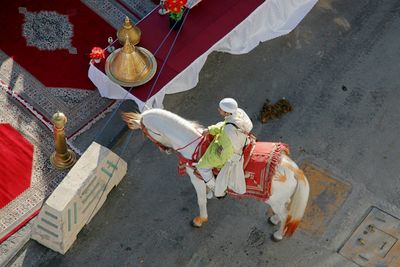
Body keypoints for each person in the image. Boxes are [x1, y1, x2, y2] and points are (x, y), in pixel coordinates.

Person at [196, 98, 253, 197]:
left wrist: (213, 155)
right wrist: (210, 130)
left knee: (202, 167)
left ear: (226, 113)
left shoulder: (228, 132)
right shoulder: (238, 112)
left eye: (220, 109)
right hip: (243, 140)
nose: (219, 110)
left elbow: (224, 150)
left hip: (229, 152)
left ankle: (216, 190)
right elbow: (227, 124)